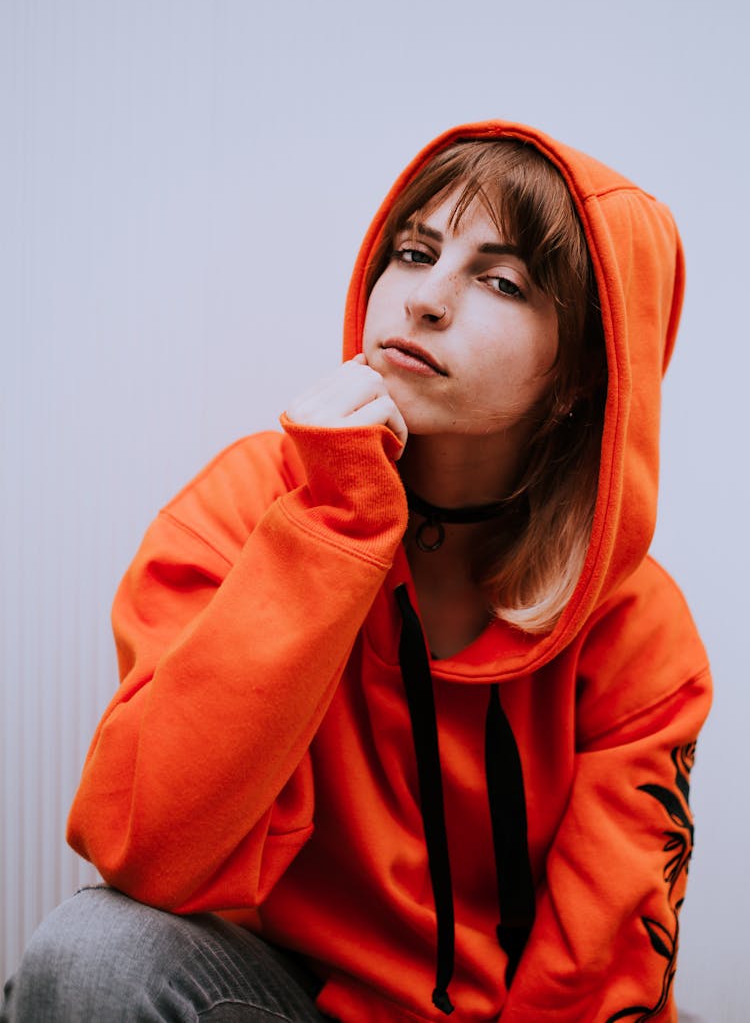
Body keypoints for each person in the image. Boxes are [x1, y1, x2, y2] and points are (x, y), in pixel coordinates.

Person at [2, 121, 712, 1022]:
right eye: (414, 252)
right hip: (289, 1002)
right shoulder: (250, 504)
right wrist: (333, 527)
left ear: (582, 371)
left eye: (500, 280)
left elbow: (599, 976)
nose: (424, 301)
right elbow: (144, 848)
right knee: (95, 951)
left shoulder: (642, 633)